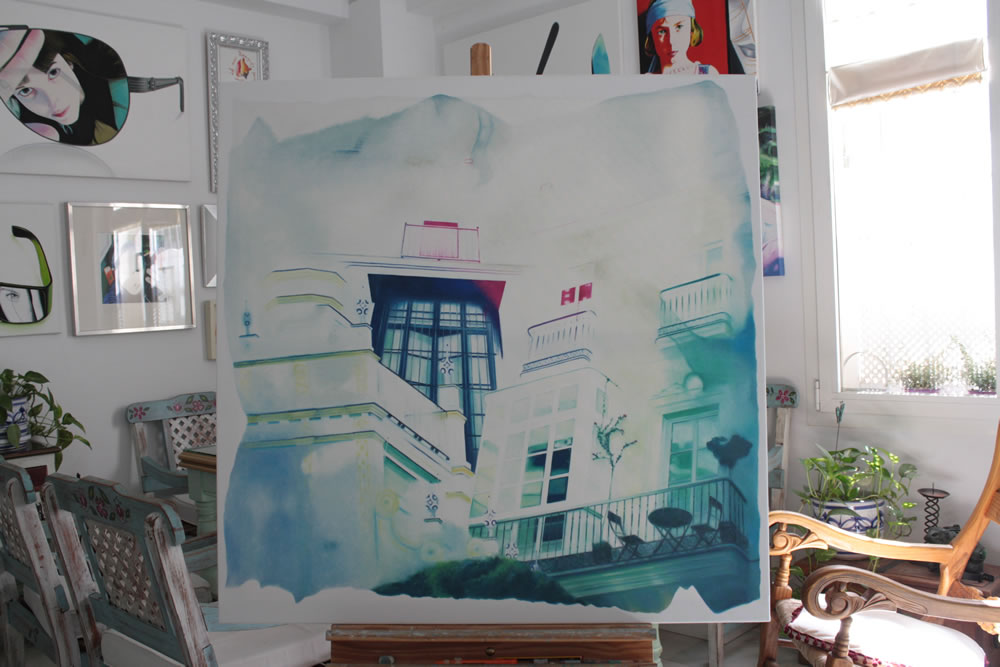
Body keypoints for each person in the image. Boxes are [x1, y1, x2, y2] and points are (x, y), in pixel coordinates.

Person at [0, 28, 128, 145]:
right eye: (25, 91)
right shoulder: (18, 120)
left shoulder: (115, 89)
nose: (52, 101)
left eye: (53, 73)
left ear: (68, 61)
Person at [643, 0, 719, 75]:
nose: (671, 41)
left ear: (691, 29)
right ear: (651, 37)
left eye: (679, 27)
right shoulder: (647, 80)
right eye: (662, 31)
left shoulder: (706, 73)